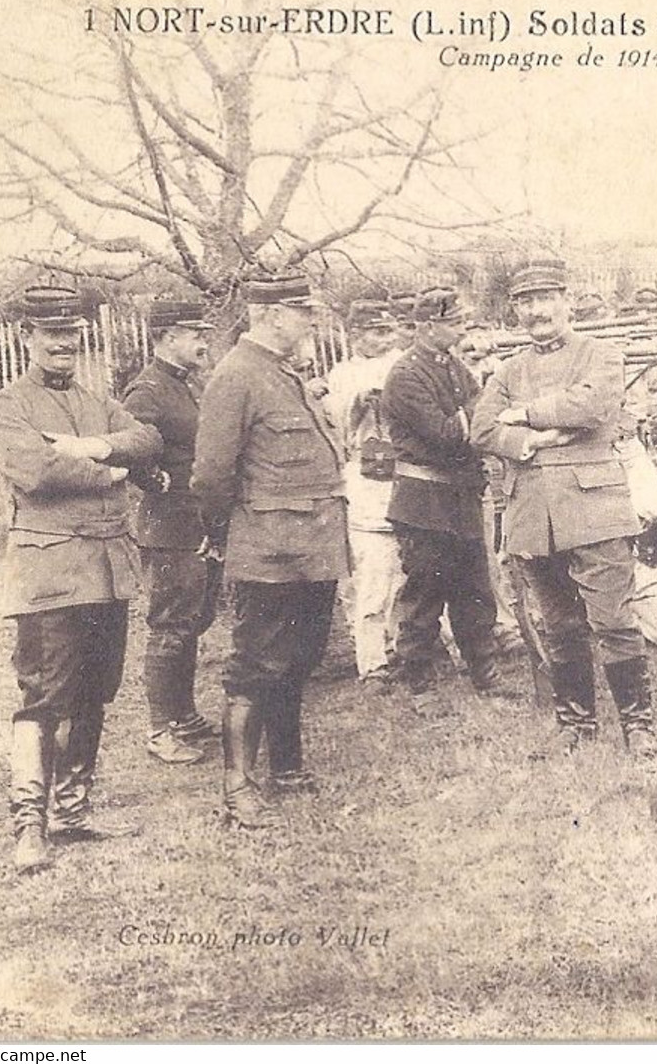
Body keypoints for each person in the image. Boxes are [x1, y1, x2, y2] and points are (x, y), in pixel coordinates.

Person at [0, 285, 164, 872]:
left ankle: (72, 811)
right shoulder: (7, 406)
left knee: (95, 691)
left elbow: (148, 440)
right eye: (51, 333)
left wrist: (93, 446)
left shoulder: (96, 402)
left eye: (72, 333)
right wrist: (112, 473)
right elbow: (36, 472)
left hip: (108, 570)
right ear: (26, 337)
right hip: (50, 572)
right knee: (45, 695)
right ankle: (29, 827)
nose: (64, 343)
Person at [470, 258, 657, 758]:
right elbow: (482, 429)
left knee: (613, 620)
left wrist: (524, 414)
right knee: (559, 625)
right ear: (515, 310)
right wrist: (533, 441)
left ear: (566, 302)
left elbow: (592, 407)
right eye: (526, 302)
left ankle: (638, 725)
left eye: (545, 299)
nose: (536, 311)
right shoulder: (508, 371)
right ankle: (575, 723)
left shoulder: (601, 355)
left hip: (595, 507)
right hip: (533, 513)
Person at [191, 271, 350, 829]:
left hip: (313, 545)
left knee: (300, 655)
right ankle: (238, 787)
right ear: (273, 315)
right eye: (304, 313)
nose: (312, 323)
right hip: (268, 549)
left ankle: (287, 767)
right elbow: (212, 475)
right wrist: (228, 534)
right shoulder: (236, 376)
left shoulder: (283, 372)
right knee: (256, 665)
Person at [382, 287, 509, 699]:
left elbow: (480, 418)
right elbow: (446, 434)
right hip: (423, 502)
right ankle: (419, 681)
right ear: (427, 326)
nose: (461, 330)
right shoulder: (405, 375)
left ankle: (484, 673)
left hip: (460, 497)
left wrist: (479, 410)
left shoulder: (453, 366)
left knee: (475, 591)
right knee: (424, 595)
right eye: (453, 322)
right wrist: (481, 407)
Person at [121, 298, 223, 765]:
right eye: (195, 334)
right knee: (171, 626)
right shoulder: (146, 390)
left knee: (194, 621)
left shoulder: (189, 383)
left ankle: (184, 715)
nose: (203, 342)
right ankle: (160, 728)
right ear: (166, 337)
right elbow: (128, 446)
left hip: (198, 523)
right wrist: (152, 480)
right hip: (169, 528)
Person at [323, 298, 406, 686]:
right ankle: (372, 659)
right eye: (378, 332)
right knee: (372, 571)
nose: (387, 339)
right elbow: (338, 429)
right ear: (357, 335)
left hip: (404, 471)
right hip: (367, 474)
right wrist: (358, 403)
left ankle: (405, 645)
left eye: (390, 331)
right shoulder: (342, 374)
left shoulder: (403, 363)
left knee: (407, 569)